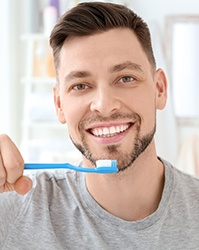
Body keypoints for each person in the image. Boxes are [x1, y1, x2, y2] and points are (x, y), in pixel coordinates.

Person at [0, 2, 199, 249]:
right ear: (59, 104)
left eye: (126, 78)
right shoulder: (15, 209)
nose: (104, 106)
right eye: (80, 86)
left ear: (159, 89)